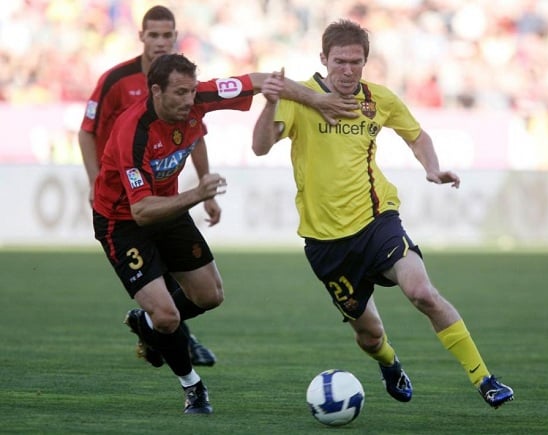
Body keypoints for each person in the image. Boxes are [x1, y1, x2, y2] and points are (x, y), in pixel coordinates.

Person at [251, 19, 514, 409]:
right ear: (323, 58)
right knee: (369, 336)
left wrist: (431, 167)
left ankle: (484, 379)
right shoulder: (301, 97)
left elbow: (417, 135)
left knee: (422, 292)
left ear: (365, 62)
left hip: (377, 220)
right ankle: (390, 364)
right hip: (325, 242)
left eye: (356, 62)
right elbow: (260, 147)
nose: (347, 70)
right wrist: (271, 101)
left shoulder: (379, 99)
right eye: (339, 61)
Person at [92, 52, 357, 414]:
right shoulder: (132, 132)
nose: (189, 99)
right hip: (122, 222)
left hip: (168, 206)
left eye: (191, 91)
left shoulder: (199, 96)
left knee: (210, 295)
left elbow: (263, 80)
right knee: (169, 316)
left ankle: (149, 324)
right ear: (155, 91)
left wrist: (318, 99)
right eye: (180, 93)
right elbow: (139, 210)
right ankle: (193, 387)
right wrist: (198, 194)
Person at [78, 5, 217, 367]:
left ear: (175, 36)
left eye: (166, 35)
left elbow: (194, 135)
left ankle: (160, 331)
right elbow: (86, 131)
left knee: (195, 289)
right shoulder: (115, 81)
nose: (160, 41)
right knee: (164, 292)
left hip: (162, 201)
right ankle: (176, 340)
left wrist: (204, 181)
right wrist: (95, 180)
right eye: (152, 35)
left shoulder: (183, 86)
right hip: (122, 200)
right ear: (141, 37)